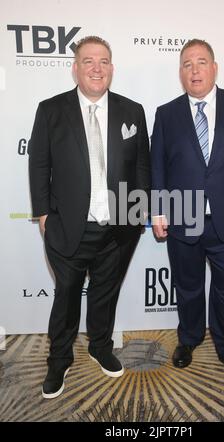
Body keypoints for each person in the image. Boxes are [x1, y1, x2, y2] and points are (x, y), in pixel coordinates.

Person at [29, 36, 150, 399]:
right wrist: (43, 214)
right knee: (66, 295)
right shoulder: (50, 110)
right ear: (75, 68)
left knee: (104, 294)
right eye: (88, 61)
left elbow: (142, 164)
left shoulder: (133, 110)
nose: (97, 68)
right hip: (68, 227)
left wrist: (139, 212)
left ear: (112, 68)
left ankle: (100, 346)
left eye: (103, 61)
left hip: (118, 228)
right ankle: (59, 358)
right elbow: (39, 165)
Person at [151, 39, 224, 385]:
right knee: (187, 286)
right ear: (180, 73)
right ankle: (188, 339)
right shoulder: (166, 113)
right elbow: (157, 166)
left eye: (201, 62)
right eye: (187, 64)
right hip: (182, 217)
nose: (194, 70)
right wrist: (158, 208)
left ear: (214, 68)